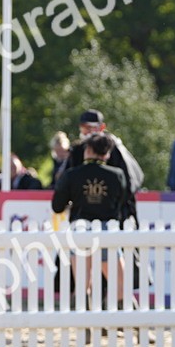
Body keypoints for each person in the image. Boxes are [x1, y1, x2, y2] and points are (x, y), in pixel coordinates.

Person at [51, 132, 128, 307]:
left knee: (82, 283)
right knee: (119, 284)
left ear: (89, 150)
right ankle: (122, 314)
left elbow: (57, 206)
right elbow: (122, 202)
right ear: (106, 154)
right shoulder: (117, 175)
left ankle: (83, 316)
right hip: (107, 230)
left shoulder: (72, 175)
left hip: (79, 229)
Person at [56, 109, 144, 223]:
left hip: (113, 216)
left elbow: (128, 185)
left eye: (90, 127)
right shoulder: (77, 149)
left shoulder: (113, 149)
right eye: (83, 128)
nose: (86, 132)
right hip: (82, 216)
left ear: (102, 127)